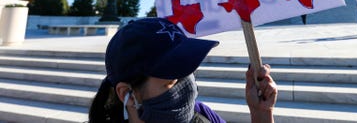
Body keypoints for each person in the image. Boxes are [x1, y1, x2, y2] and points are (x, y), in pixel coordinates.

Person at [89, 17, 277, 123]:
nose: (188, 87)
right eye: (171, 81)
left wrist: (261, 113)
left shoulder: (202, 115)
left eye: (188, 71)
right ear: (127, 94)